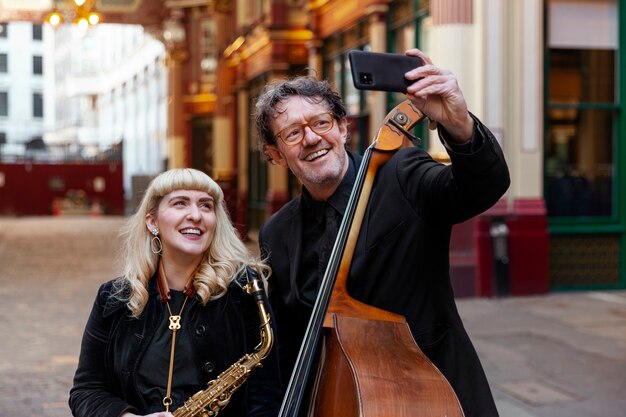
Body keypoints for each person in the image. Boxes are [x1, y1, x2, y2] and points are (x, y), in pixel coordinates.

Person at [254, 48, 510, 417]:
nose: (311, 138)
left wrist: (458, 123)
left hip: (431, 393)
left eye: (321, 123)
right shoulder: (277, 233)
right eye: (292, 133)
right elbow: (287, 344)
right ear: (275, 154)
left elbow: (483, 186)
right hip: (337, 402)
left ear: (343, 128)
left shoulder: (402, 174)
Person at [69, 168, 282, 417]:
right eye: (180, 203)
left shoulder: (242, 291)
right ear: (152, 222)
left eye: (206, 206)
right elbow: (86, 391)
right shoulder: (114, 297)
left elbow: (265, 395)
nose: (195, 215)